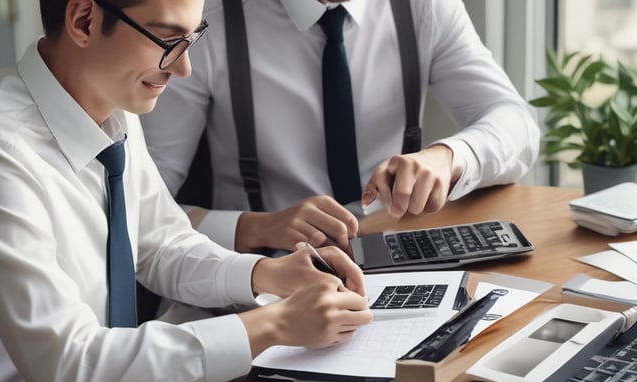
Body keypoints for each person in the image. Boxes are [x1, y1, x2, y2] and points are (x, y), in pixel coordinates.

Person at [0, 0, 373, 382]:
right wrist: (275, 323)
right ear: (84, 21)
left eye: (193, 38)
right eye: (166, 39)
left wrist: (266, 275)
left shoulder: (111, 103)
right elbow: (68, 365)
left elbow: (158, 245)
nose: (184, 66)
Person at [141, 0, 540, 254]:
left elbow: (517, 124)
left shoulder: (424, 7)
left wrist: (450, 156)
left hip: (402, 256)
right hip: (261, 274)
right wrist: (258, 227)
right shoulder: (203, 21)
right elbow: (142, 207)